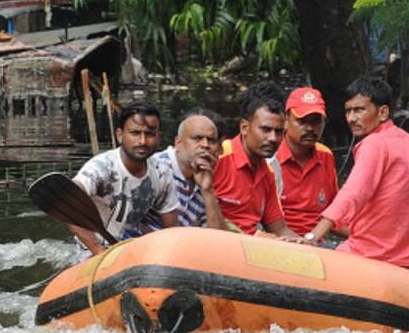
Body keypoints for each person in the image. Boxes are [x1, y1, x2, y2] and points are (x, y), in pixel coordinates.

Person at [305, 77, 409, 271]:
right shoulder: (408, 140)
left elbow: (353, 192)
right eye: (348, 111)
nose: (351, 118)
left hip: (370, 255)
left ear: (382, 112)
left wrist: (313, 237)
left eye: (359, 110)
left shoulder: (373, 144)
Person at [70, 102, 179, 255]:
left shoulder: (162, 173)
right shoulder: (102, 167)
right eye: (135, 133)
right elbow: (69, 199)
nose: (142, 141)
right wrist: (99, 252)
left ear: (158, 137)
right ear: (120, 135)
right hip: (90, 251)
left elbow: (172, 228)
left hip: (132, 248)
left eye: (149, 134)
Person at [124, 109, 240, 236]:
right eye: (197, 138)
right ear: (178, 143)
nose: (206, 145)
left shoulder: (204, 177)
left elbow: (219, 239)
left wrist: (207, 190)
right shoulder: (155, 169)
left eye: (212, 140)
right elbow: (126, 223)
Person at [212, 81, 298, 237]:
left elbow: (279, 229)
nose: (273, 138)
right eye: (265, 129)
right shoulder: (217, 158)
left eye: (279, 132)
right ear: (244, 127)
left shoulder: (269, 173)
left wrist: (306, 245)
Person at [268, 87, 339, 235]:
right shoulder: (269, 155)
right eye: (302, 121)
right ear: (285, 121)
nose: (310, 128)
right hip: (277, 240)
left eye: (316, 121)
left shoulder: (326, 156)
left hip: (316, 241)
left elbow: (335, 213)